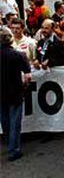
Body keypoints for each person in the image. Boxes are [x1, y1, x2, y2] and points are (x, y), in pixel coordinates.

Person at [1, 27, 31, 161]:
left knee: (4, 119)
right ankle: (14, 149)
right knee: (14, 121)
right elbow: (28, 76)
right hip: (15, 92)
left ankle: (9, 142)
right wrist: (25, 85)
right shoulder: (19, 55)